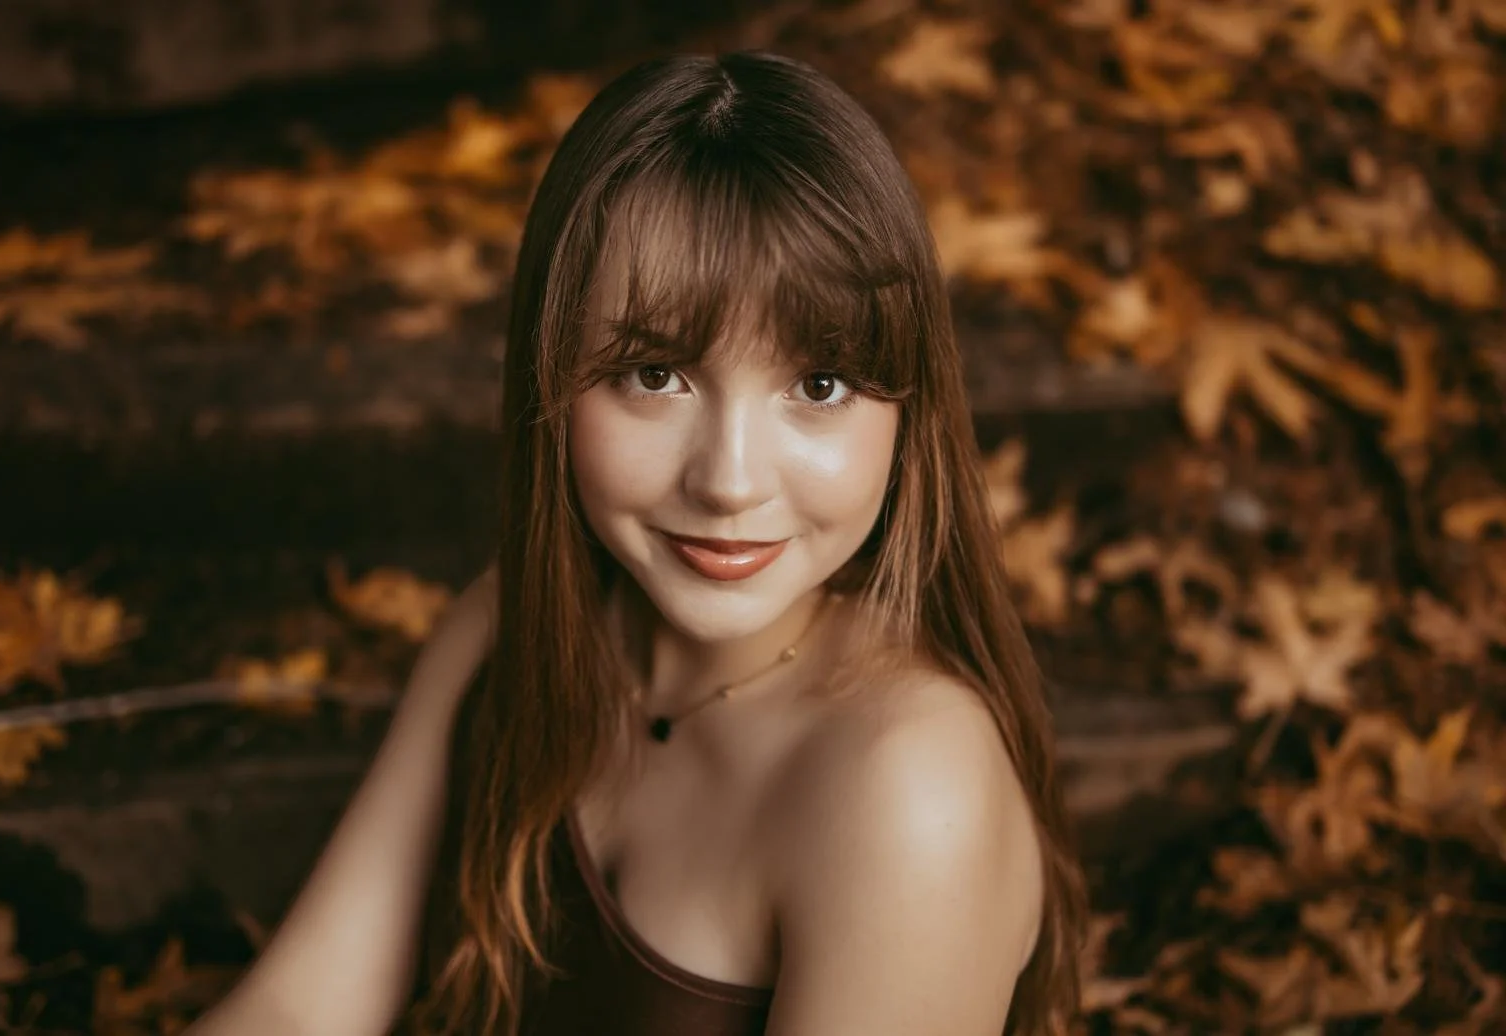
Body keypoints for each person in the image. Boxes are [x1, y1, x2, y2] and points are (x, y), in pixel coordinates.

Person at [188, 50, 1086, 1036]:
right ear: (551, 377)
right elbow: (300, 1005)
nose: (729, 479)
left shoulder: (908, 786)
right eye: (654, 374)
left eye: (819, 385)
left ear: (909, 409)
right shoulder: (509, 625)